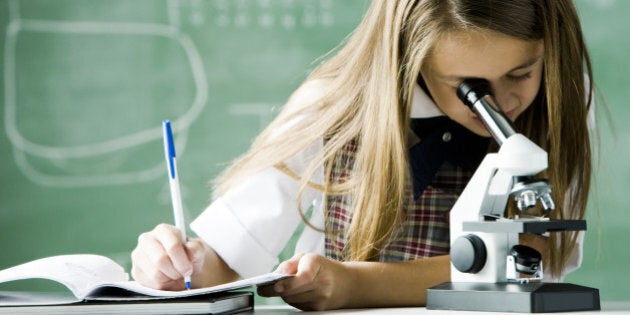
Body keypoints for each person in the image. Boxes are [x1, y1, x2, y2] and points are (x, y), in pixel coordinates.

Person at [131, 0, 595, 311]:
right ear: (410, 58)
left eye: (520, 74)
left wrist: (354, 284)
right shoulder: (331, 106)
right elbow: (228, 261)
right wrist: (179, 267)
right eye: (470, 89)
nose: (503, 105)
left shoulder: (562, 102)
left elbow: (530, 260)